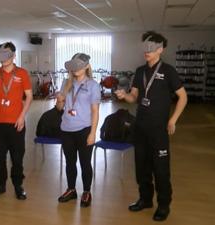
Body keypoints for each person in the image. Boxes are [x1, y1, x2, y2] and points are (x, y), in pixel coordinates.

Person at [115, 31, 187, 221]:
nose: (147, 51)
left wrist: (172, 120)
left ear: (160, 50)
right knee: (142, 169)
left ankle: (164, 205)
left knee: (161, 170)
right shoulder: (140, 71)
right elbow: (134, 98)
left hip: (159, 131)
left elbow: (183, 97)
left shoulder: (168, 71)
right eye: (145, 47)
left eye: (151, 48)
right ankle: (145, 199)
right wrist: (125, 96)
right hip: (141, 128)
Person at [0, 42, 33, 200]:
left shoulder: (22, 73)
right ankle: (0, 185)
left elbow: (29, 96)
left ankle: (18, 185)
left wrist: (21, 116)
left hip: (16, 122)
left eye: (6, 53)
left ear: (13, 55)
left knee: (17, 157)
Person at [56, 53, 100, 207]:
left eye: (79, 65)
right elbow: (60, 108)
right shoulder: (66, 83)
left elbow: (95, 111)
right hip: (66, 129)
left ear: (86, 66)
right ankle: (71, 190)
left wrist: (93, 133)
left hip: (84, 129)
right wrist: (59, 101)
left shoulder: (93, 85)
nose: (75, 69)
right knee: (70, 162)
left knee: (85, 163)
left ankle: (86, 192)